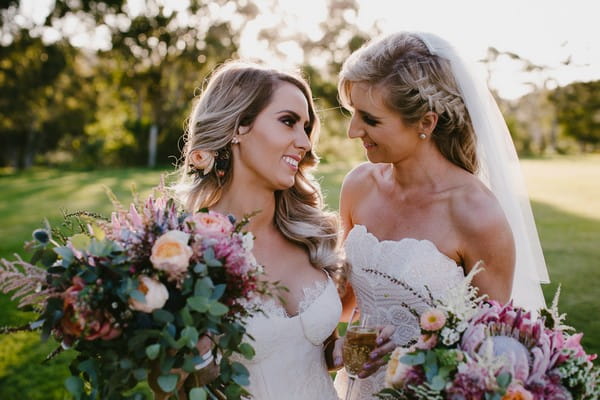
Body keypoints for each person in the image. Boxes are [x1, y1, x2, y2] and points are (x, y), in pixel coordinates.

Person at [331, 32, 550, 399]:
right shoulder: (358, 186)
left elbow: (491, 354)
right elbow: (347, 302)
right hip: (358, 388)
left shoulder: (477, 215)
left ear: (426, 123)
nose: (353, 131)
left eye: (369, 118)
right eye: (353, 113)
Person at [168, 61, 391, 400]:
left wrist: (343, 352)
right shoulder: (183, 251)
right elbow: (166, 387)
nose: (303, 142)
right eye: (288, 122)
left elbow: (310, 351)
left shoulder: (311, 236)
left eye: (306, 127)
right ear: (238, 127)